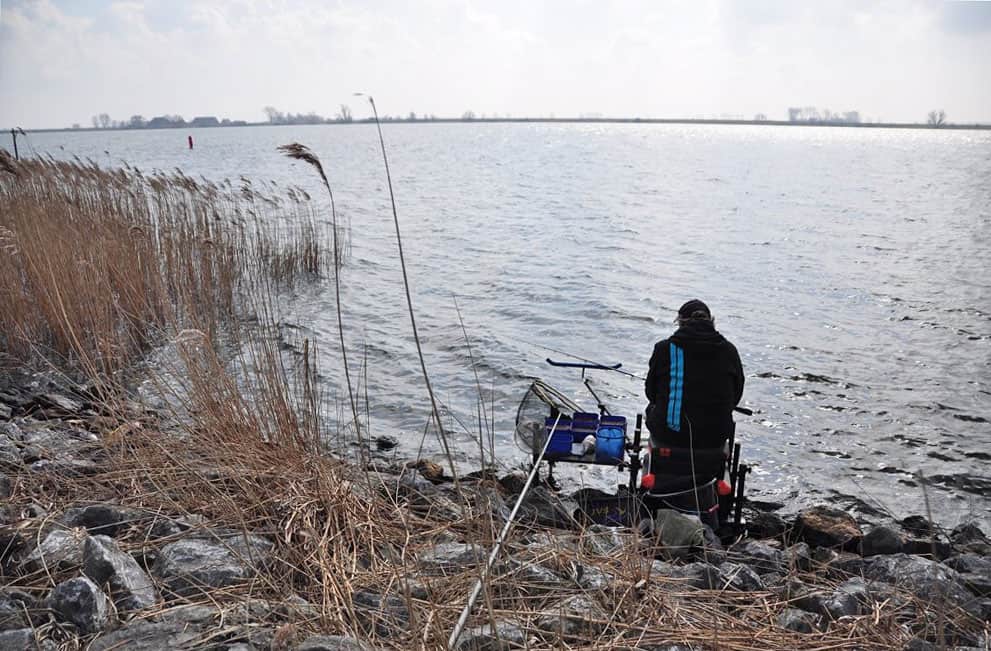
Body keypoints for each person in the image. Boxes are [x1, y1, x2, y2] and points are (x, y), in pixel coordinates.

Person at [644, 299, 744, 453]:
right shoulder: (729, 351)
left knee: (651, 409)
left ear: (681, 323)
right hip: (715, 437)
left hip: (669, 435)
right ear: (711, 322)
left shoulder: (664, 349)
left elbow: (651, 393)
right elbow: (736, 395)